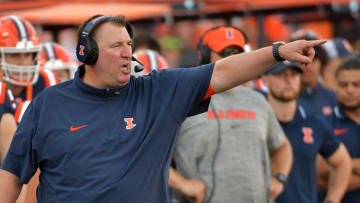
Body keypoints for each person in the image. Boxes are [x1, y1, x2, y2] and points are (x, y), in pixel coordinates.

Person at [0, 14, 326, 202]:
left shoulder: (158, 91)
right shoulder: (50, 103)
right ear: (87, 53)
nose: (128, 52)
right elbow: (13, 174)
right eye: (117, 46)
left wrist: (278, 52)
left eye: (130, 45)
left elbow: (226, 70)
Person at [169, 25, 293, 203]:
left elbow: (282, 147)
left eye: (238, 53)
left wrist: (279, 178)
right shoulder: (183, 102)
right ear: (203, 56)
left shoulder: (257, 101)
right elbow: (148, 155)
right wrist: (182, 184)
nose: (234, 59)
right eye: (226, 53)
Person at [262, 61, 352, 203]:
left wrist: (332, 199)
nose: (289, 80)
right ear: (265, 80)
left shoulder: (314, 122)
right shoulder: (256, 122)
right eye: (281, 75)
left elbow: (343, 162)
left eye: (294, 75)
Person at [316, 56, 360, 203]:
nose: (349, 90)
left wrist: (342, 167)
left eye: (356, 84)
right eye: (343, 85)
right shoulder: (323, 123)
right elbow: (321, 177)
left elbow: (333, 174)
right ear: (335, 86)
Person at [291, 29, 337, 117]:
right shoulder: (283, 97)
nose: (308, 66)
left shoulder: (334, 98)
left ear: (322, 64)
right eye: (301, 60)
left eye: (313, 59)